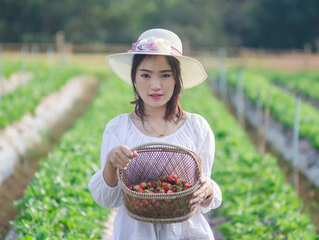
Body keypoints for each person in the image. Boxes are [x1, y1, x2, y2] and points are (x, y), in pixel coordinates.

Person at [88, 28, 222, 240]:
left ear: (177, 79)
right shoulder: (119, 128)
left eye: (165, 75)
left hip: (186, 233)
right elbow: (107, 199)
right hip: (135, 233)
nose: (155, 85)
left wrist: (207, 190)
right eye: (145, 75)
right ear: (134, 78)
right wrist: (111, 163)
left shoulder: (197, 128)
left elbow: (205, 191)